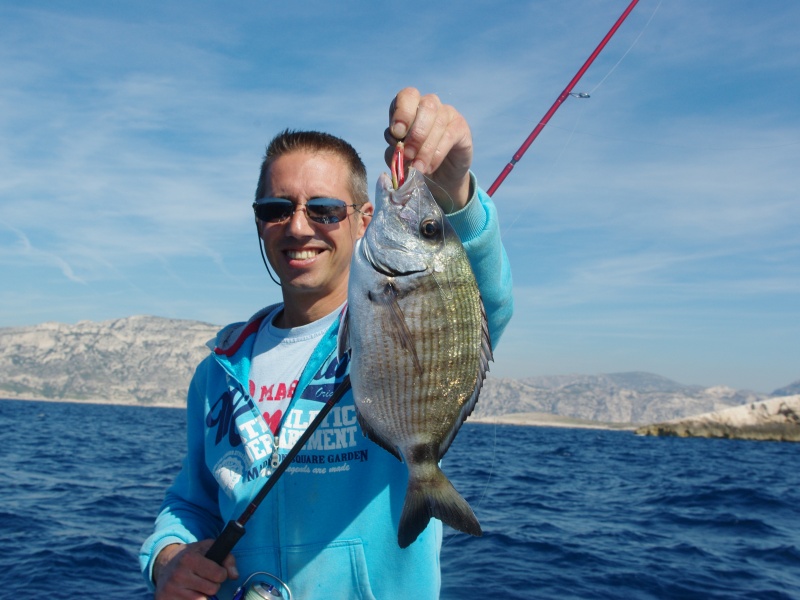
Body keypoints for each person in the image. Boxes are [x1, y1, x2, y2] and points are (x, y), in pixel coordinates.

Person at [139, 87, 514, 600]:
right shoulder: (220, 369)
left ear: (364, 220)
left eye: (324, 210)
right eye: (276, 208)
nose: (298, 226)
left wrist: (457, 196)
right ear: (259, 221)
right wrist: (167, 559)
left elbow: (480, 304)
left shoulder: (398, 311)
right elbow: (193, 501)